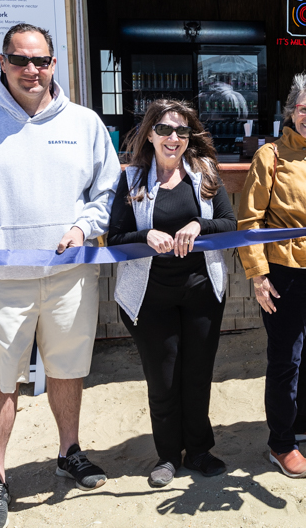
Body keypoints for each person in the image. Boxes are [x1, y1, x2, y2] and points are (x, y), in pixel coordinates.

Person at [0, 23, 122, 528]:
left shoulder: (84, 123)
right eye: (20, 60)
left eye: (40, 61)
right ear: (3, 63)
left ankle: (69, 452)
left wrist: (83, 228)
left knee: (68, 369)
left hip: (68, 275)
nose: (31, 70)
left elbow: (105, 191)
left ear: (54, 64)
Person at [107, 99, 236, 487]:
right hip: (149, 297)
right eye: (164, 129)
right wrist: (146, 235)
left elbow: (229, 223)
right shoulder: (131, 180)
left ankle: (198, 449)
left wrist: (199, 225)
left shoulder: (206, 173)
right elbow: (114, 238)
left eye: (182, 131)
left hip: (201, 291)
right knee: (163, 379)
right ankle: (167, 456)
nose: (173, 138)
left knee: (197, 376)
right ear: (150, 134)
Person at [237, 70, 306, 479]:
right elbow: (249, 220)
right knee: (286, 359)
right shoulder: (270, 156)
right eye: (304, 109)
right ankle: (281, 442)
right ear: (291, 111)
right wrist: (257, 275)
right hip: (283, 273)